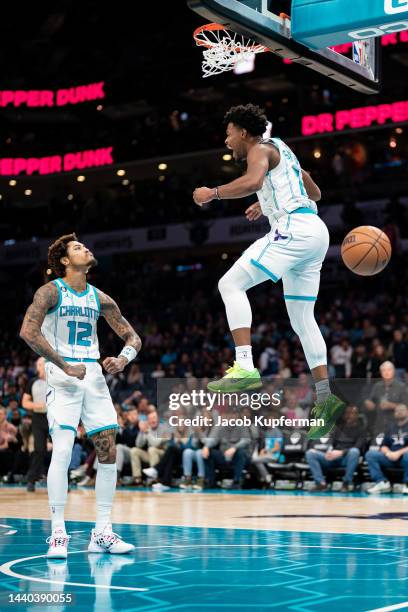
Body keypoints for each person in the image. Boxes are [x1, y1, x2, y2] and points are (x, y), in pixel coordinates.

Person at [193, 104, 344, 439]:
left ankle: (245, 364)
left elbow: (251, 180)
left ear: (244, 132)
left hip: (294, 230)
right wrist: (270, 200)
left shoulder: (260, 149)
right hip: (315, 232)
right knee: (303, 319)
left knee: (229, 283)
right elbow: (314, 192)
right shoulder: (284, 151)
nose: (227, 140)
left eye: (230, 133)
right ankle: (326, 397)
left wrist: (213, 193)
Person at [20, 233, 142, 559]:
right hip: (63, 377)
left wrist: (122, 359)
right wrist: (62, 365)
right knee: (62, 450)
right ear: (64, 260)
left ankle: (102, 532)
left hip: (95, 378)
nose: (85, 248)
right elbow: (28, 332)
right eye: (77, 247)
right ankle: (58, 532)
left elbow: (133, 337)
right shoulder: (50, 292)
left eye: (84, 246)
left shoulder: (100, 298)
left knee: (108, 450)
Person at [305, 405, 366, 492]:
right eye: (347, 413)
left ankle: (346, 483)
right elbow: (331, 443)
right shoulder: (339, 428)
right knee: (310, 453)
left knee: (355, 452)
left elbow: (358, 447)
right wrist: (329, 452)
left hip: (347, 458)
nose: (349, 415)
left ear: (357, 415)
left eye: (352, 413)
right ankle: (321, 484)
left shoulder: (361, 430)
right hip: (333, 457)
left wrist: (341, 453)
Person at [365, 403, 408, 494]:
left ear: (407, 412)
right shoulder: (391, 427)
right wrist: (389, 453)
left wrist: (398, 453)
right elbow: (383, 445)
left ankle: (406, 484)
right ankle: (382, 482)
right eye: (397, 411)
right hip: (391, 458)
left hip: (404, 458)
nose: (399, 412)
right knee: (371, 454)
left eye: (401, 410)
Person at [22, 357, 48, 492]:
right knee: (39, 449)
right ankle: (31, 480)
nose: (40, 366)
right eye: (39, 364)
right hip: (38, 418)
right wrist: (37, 405)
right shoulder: (32, 382)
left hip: (54, 418)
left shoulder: (55, 381)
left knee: (60, 449)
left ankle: (63, 481)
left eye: (43, 364)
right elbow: (24, 402)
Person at [364, 361, 408, 436]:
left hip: (397, 426)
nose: (386, 372)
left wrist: (392, 405)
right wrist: (368, 403)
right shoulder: (377, 386)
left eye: (389, 370)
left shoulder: (402, 387)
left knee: (394, 446)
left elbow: (406, 406)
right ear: (380, 372)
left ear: (394, 371)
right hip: (379, 425)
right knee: (375, 446)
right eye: (384, 370)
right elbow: (370, 401)